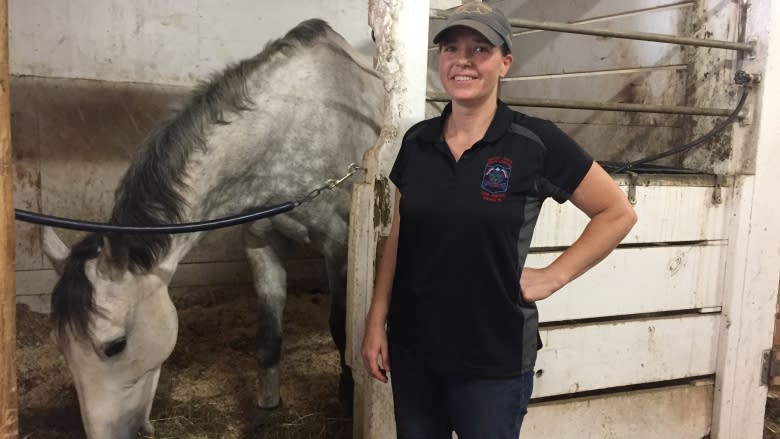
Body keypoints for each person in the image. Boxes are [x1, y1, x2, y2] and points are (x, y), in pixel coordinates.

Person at [361, 3, 638, 438]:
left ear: (505, 63)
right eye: (451, 48)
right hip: (415, 350)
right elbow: (399, 235)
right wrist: (376, 320)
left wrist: (553, 276)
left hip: (493, 359)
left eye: (480, 49)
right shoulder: (418, 141)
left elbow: (616, 213)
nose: (463, 60)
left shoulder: (535, 142)